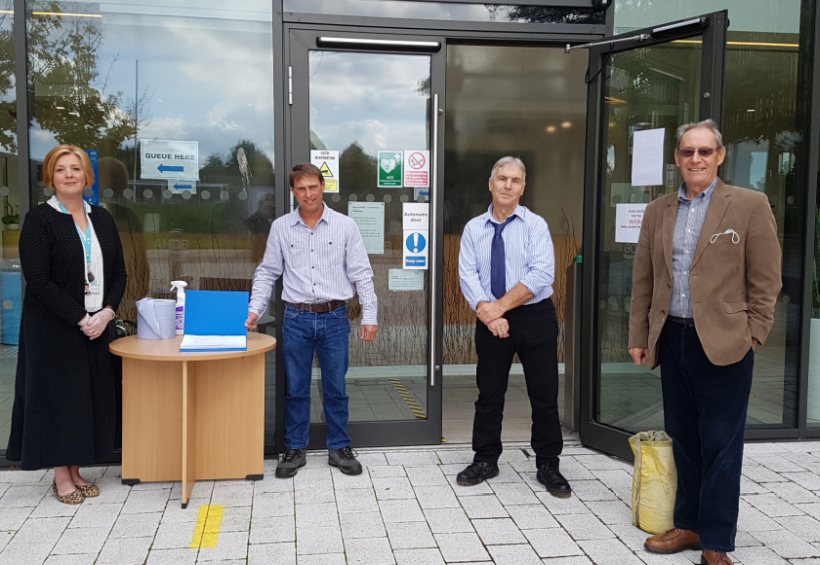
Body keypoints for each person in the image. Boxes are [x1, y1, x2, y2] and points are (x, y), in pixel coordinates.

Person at [628, 120, 781, 565]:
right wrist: (641, 335)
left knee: (720, 442)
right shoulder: (659, 210)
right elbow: (644, 278)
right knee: (684, 437)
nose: (696, 159)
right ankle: (689, 524)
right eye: (688, 152)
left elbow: (766, 279)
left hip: (726, 342)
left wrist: (754, 331)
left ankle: (715, 540)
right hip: (673, 337)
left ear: (720, 155)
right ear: (677, 158)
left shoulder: (749, 205)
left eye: (704, 151)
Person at [6, 144, 127, 504]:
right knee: (59, 399)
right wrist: (80, 317)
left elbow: (118, 272)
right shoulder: (40, 219)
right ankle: (62, 476)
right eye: (61, 169)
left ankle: (76, 469)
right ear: (50, 177)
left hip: (96, 323)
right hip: (54, 326)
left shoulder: (101, 218)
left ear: (87, 176)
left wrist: (106, 312)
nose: (69, 175)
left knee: (84, 398)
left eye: (76, 168)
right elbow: (38, 279)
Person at [246, 163, 377, 478]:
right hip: (296, 318)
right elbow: (267, 272)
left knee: (335, 387)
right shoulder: (281, 227)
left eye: (313, 187)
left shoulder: (345, 226)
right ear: (293, 191)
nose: (308, 194)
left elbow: (362, 271)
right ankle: (294, 449)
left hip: (334, 317)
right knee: (296, 388)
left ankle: (339, 448)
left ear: (323, 187)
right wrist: (254, 309)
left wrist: (370, 314)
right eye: (301, 188)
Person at [457, 156, 570, 497]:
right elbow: (468, 275)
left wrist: (499, 308)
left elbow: (540, 275)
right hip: (491, 318)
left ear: (523, 187)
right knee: (489, 393)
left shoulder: (535, 225)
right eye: (502, 178)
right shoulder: (474, 228)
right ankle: (485, 458)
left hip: (534, 316)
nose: (508, 185)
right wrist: (489, 314)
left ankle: (548, 464)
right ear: (490, 184)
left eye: (515, 180)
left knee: (544, 394)